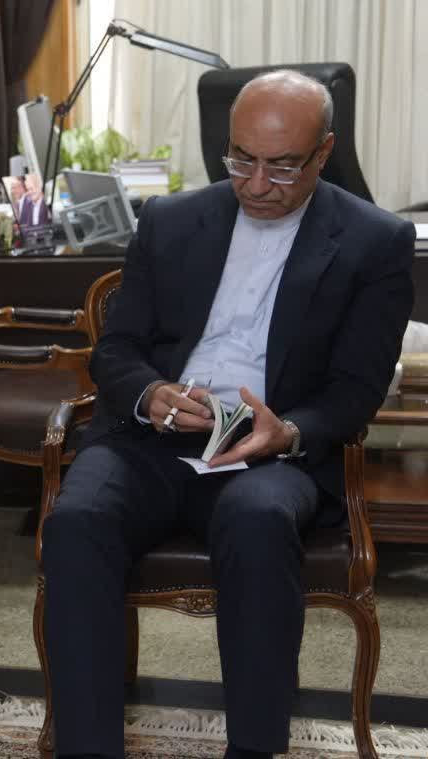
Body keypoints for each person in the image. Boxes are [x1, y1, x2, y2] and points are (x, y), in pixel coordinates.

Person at [41, 71, 414, 759]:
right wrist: (150, 393)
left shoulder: (375, 241)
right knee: (77, 519)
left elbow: (356, 387)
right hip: (149, 439)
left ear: (325, 152)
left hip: (270, 449)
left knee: (258, 519)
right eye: (241, 159)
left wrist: (289, 431)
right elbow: (117, 348)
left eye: (283, 166)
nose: (257, 184)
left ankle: (253, 749)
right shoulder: (171, 220)